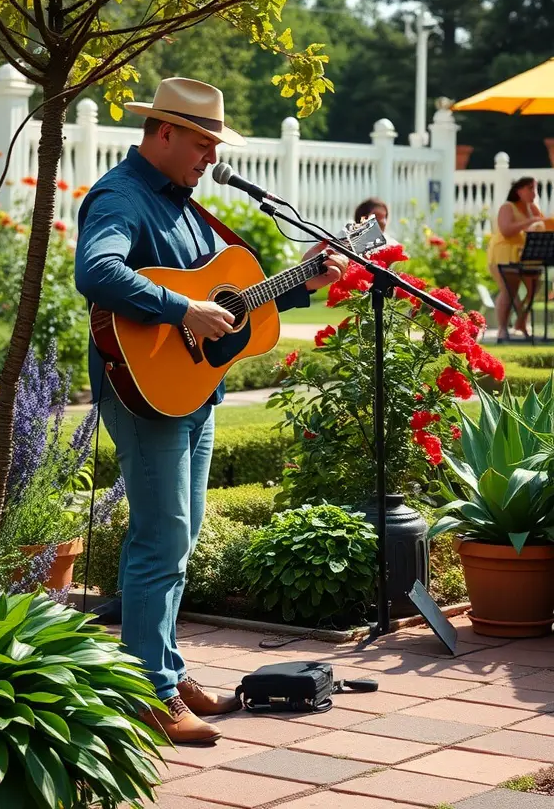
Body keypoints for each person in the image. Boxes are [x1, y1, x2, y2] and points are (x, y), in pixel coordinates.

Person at [75, 76, 348, 745]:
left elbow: (223, 312)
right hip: (146, 394)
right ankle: (148, 694)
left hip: (193, 390)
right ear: (162, 132)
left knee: (183, 536)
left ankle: (164, 670)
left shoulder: (187, 206)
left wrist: (298, 286)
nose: (209, 156)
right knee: (160, 539)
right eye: (202, 143)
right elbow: (96, 271)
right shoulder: (121, 196)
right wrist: (180, 308)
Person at [486, 177, 547, 340]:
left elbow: (541, 227)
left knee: (535, 287)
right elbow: (505, 230)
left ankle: (520, 321)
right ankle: (502, 329)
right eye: (530, 189)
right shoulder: (508, 207)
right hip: (503, 254)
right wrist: (529, 222)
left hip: (525, 255)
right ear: (519, 191)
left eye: (535, 189)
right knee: (509, 291)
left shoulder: (533, 208)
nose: (534, 193)